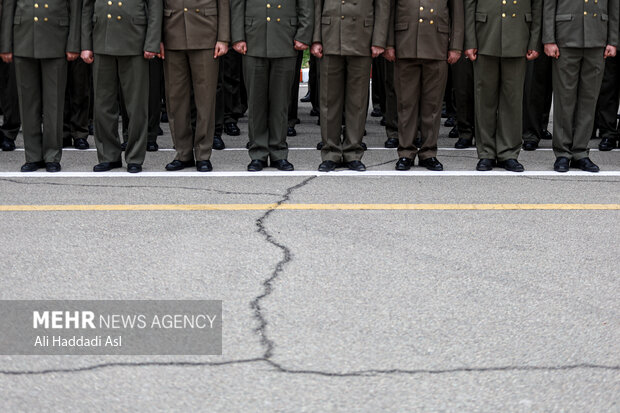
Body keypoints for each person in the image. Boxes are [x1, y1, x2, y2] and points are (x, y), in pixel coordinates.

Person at [231, 0, 313, 172]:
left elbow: (305, 5)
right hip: (253, 38)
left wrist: (303, 34)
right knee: (256, 103)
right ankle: (258, 153)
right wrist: (238, 37)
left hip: (286, 38)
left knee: (280, 103)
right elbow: (237, 5)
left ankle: (279, 152)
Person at [81, 0, 163, 173]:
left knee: (136, 105)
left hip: (135, 39)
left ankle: (134, 157)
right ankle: (108, 156)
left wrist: (152, 42)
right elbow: (87, 6)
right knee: (103, 104)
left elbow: (155, 6)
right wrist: (86, 45)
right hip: (102, 37)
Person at [0, 0, 81, 172]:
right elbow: (8, 6)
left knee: (54, 103)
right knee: (28, 103)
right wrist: (5, 44)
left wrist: (73, 43)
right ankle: (33, 156)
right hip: (24, 37)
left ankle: (52, 155)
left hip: (56, 37)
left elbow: (75, 6)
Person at [385, 0, 464, 171]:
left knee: (433, 105)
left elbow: (457, 11)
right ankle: (406, 152)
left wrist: (456, 46)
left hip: (437, 43)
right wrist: (389, 43)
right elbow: (389, 9)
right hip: (405, 42)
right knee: (406, 104)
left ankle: (428, 153)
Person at [464, 0, 542, 172]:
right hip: (485, 34)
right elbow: (469, 4)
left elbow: (537, 5)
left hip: (518, 35)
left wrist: (534, 41)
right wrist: (470, 40)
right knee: (484, 99)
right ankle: (486, 153)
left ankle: (509, 153)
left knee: (512, 100)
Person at [312, 0, 389, 172]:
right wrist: (316, 39)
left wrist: (379, 39)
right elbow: (317, 4)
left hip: (362, 36)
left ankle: (353, 152)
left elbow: (382, 6)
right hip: (330, 36)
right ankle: (330, 152)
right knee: (329, 100)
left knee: (358, 101)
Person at [543, 0, 618, 172]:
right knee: (564, 98)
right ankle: (563, 152)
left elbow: (614, 6)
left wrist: (613, 40)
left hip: (597, 37)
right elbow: (549, 4)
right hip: (566, 36)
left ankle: (581, 152)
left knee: (589, 99)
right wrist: (549, 39)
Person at [161, 0, 230, 172]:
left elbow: (223, 3)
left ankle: (203, 154)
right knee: (175, 99)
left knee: (205, 99)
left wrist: (223, 38)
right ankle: (182, 153)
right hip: (172, 32)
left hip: (206, 32)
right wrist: (157, 38)